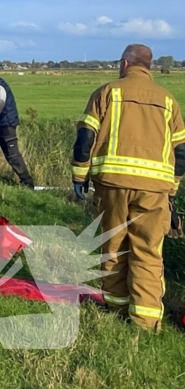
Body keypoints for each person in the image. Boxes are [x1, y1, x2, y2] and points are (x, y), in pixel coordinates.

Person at [72, 43, 185, 332]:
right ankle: (145, 322)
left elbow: (85, 138)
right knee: (148, 251)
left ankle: (115, 306)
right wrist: (171, 187)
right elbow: (182, 152)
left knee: (112, 246)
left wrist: (79, 177)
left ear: (124, 64)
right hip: (154, 189)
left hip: (112, 185)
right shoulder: (169, 100)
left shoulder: (107, 92)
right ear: (149, 66)